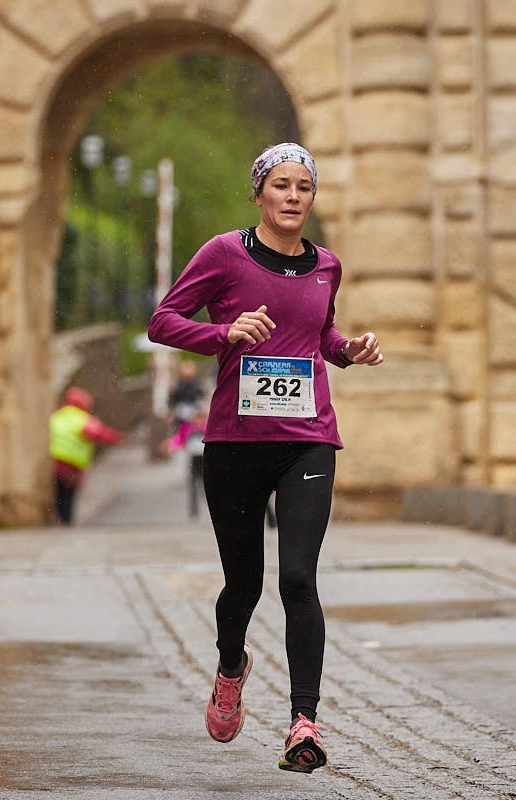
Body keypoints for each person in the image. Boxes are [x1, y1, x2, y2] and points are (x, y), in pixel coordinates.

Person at [146, 142, 383, 773]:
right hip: (235, 444)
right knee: (243, 586)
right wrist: (222, 334)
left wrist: (347, 349)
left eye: (303, 187)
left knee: (299, 578)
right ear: (260, 194)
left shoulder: (326, 265)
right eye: (281, 186)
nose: (293, 197)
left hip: (308, 438)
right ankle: (231, 668)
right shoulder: (225, 253)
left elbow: (320, 333)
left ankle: (304, 721)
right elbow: (162, 321)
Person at [48, 386, 123, 525]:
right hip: (73, 462)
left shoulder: (57, 416)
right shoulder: (82, 418)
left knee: (60, 492)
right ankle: (67, 520)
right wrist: (117, 438)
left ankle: (61, 516)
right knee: (70, 493)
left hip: (56, 460)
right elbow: (99, 433)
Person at [167, 359, 205, 433]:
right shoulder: (179, 385)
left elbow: (201, 397)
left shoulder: (197, 384)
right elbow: (173, 399)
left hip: (195, 411)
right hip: (181, 411)